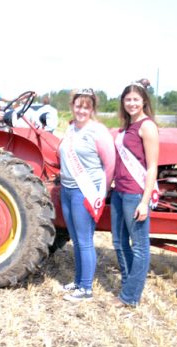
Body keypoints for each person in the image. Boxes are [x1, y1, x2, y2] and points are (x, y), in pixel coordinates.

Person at [58, 88, 115, 302]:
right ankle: (78, 281)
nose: (81, 110)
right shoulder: (71, 128)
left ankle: (86, 289)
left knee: (84, 240)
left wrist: (102, 192)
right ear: (72, 106)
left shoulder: (98, 131)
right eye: (78, 105)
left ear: (92, 109)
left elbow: (110, 164)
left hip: (85, 191)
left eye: (86, 106)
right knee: (76, 238)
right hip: (67, 189)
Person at [110, 81, 160, 308]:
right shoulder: (126, 127)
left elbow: (152, 167)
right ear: (123, 102)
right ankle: (129, 285)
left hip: (134, 194)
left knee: (139, 245)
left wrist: (145, 201)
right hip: (119, 192)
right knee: (119, 242)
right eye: (128, 99)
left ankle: (130, 296)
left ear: (144, 102)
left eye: (136, 99)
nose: (131, 103)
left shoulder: (146, 126)